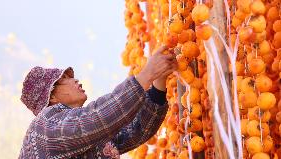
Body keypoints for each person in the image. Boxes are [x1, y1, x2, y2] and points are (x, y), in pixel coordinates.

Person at [18, 46, 177, 159]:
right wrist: (146, 75)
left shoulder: (87, 135)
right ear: (51, 96)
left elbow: (135, 132)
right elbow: (97, 118)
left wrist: (159, 82)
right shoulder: (44, 128)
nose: (76, 80)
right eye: (65, 79)